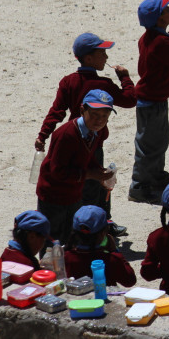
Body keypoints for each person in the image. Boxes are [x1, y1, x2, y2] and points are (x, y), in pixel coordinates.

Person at [35, 32, 136, 237]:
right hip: (89, 145)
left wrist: (43, 135)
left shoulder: (68, 82)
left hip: (84, 139)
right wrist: (124, 78)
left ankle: (97, 223)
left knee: (93, 184)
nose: (106, 57)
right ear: (89, 58)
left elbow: (57, 110)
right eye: (102, 53)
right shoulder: (104, 86)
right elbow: (130, 99)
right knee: (94, 187)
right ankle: (97, 225)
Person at [36, 89, 116, 245]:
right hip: (54, 196)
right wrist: (91, 175)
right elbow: (57, 171)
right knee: (53, 243)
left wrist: (101, 172)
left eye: (104, 116)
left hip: (74, 193)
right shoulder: (66, 134)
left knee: (72, 238)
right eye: (94, 114)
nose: (99, 120)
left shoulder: (95, 131)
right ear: (82, 110)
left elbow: (88, 157)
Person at [129, 0, 169, 203]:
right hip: (153, 102)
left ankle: (155, 177)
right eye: (166, 8)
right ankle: (139, 187)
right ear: (160, 18)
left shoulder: (147, 37)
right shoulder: (163, 42)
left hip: (150, 99)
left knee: (156, 143)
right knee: (149, 146)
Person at [64, 205, 136, 287]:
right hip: (102, 299)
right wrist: (115, 251)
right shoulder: (110, 259)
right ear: (103, 233)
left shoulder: (65, 257)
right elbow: (130, 281)